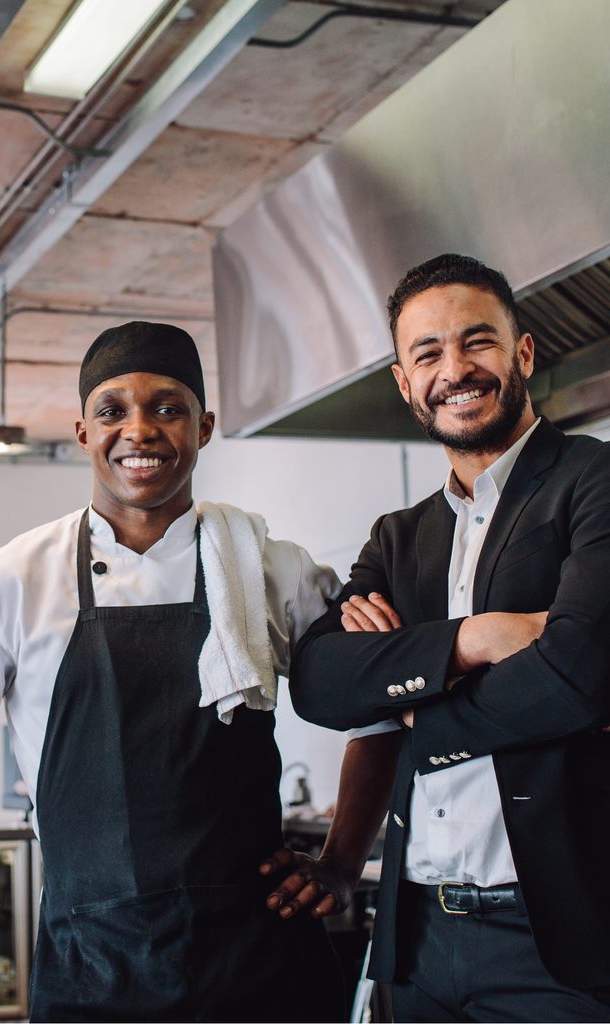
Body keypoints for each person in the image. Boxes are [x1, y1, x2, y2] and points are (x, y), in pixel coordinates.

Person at [0, 321, 359, 1023]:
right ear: (82, 431)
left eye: (167, 407)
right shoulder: (10, 582)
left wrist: (342, 863)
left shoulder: (268, 567)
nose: (141, 430)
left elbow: (377, 705)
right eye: (113, 410)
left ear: (204, 426)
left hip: (261, 964)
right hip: (93, 969)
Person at [288, 254, 610, 1021]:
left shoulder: (592, 482)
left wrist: (412, 710)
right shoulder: (399, 540)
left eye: (478, 342)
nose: (455, 370)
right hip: (420, 937)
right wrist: (472, 641)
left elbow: (578, 674)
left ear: (523, 353)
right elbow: (321, 682)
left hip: (560, 944)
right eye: (427, 353)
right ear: (405, 383)